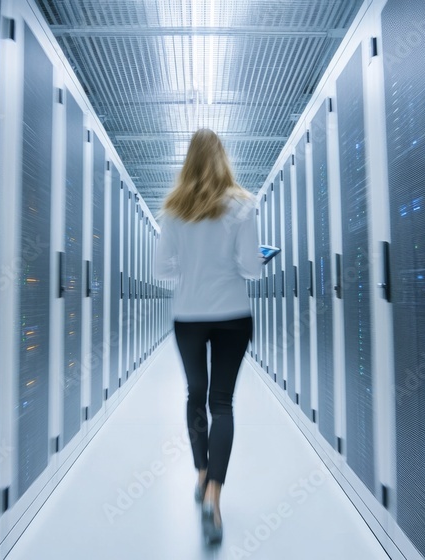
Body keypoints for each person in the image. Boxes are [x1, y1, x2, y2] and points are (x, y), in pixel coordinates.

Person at [153, 128, 262, 546]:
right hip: (233, 315)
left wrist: (190, 265)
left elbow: (162, 271)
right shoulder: (243, 205)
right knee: (223, 403)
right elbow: (250, 268)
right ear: (223, 159)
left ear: (188, 161)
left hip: (190, 315)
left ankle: (201, 474)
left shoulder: (174, 210)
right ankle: (214, 497)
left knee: (195, 395)